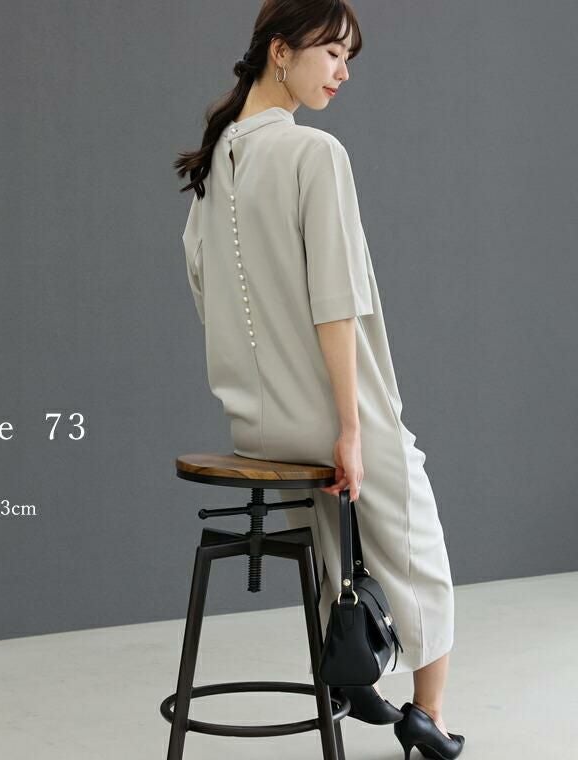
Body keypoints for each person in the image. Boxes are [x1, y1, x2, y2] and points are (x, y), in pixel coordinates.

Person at [174, 1, 465, 758]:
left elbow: (205, 291)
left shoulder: (213, 162)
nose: (343, 72)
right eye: (332, 53)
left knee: (334, 536)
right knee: (416, 540)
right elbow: (337, 300)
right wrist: (351, 426)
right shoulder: (314, 154)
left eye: (348, 59)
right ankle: (428, 713)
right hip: (329, 407)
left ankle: (352, 672)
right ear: (281, 50)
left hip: (255, 423)